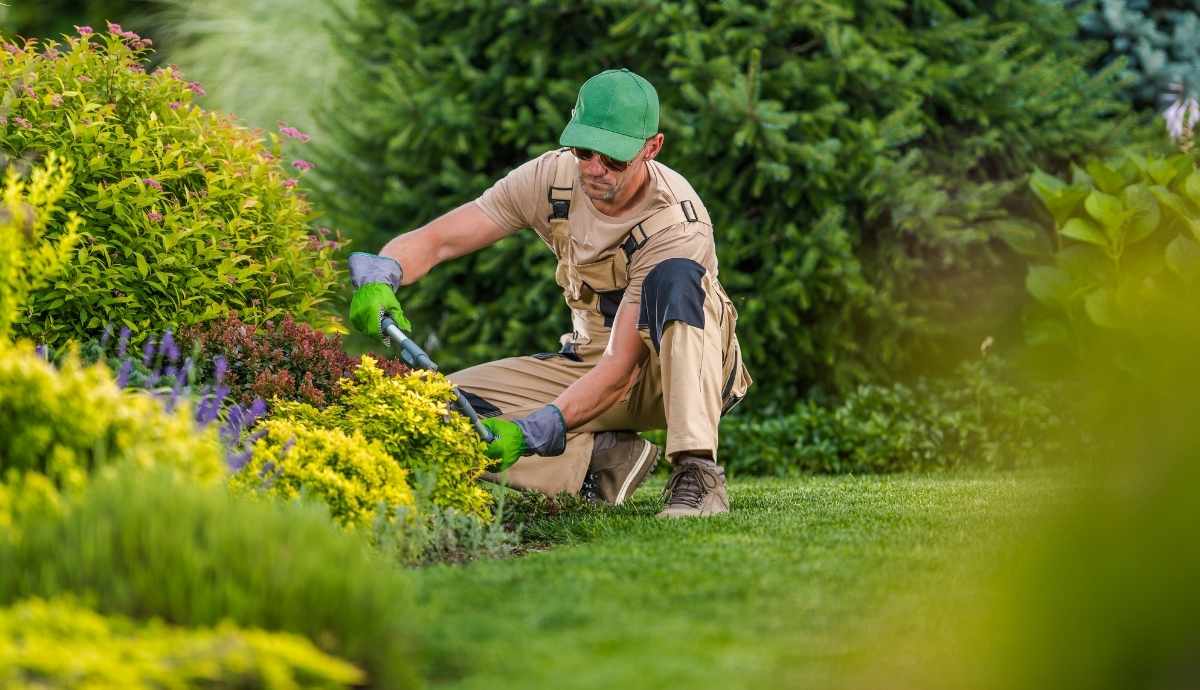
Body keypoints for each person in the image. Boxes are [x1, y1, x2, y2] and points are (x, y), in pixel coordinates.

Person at [346, 68, 750, 518]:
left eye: (614, 158)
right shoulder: (552, 178)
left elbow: (622, 368)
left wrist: (536, 429)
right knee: (433, 411)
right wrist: (385, 273)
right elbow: (441, 239)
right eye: (585, 151)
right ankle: (599, 461)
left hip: (670, 372)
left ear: (651, 148)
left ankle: (697, 473)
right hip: (589, 362)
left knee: (676, 279)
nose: (595, 169)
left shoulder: (676, 223)